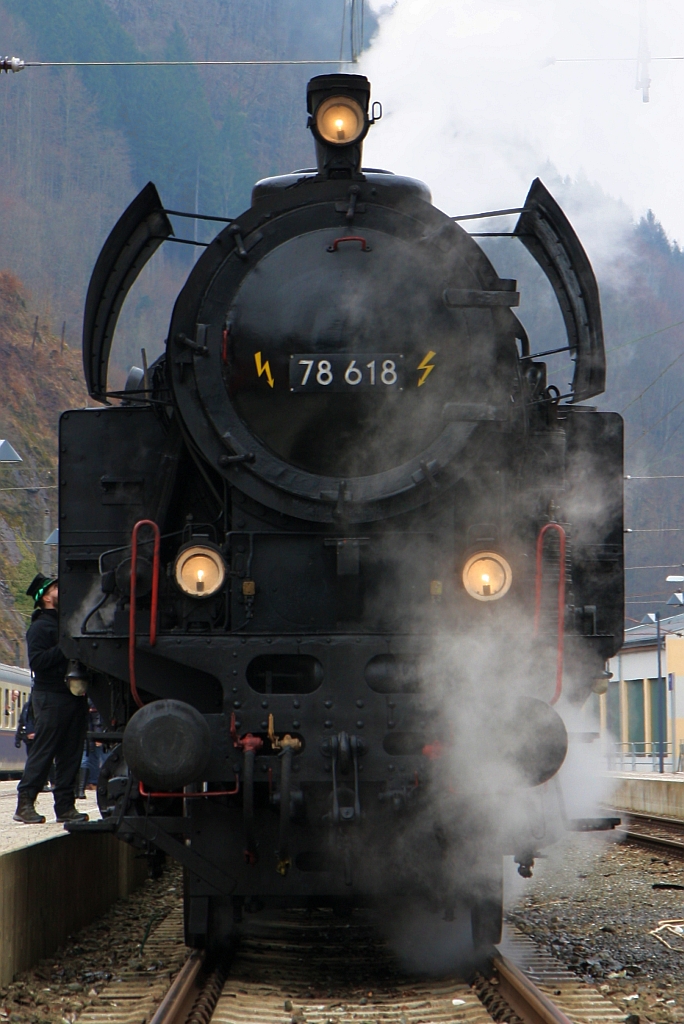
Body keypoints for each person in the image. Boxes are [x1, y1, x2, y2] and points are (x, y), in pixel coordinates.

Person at [14, 573, 89, 825]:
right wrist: (65, 647)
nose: (61, 590)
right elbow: (38, 661)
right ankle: (25, 803)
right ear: (46, 597)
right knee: (44, 751)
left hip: (72, 696)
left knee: (71, 754)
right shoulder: (40, 627)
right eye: (55, 587)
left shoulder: (65, 623)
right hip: (51, 696)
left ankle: (65, 807)